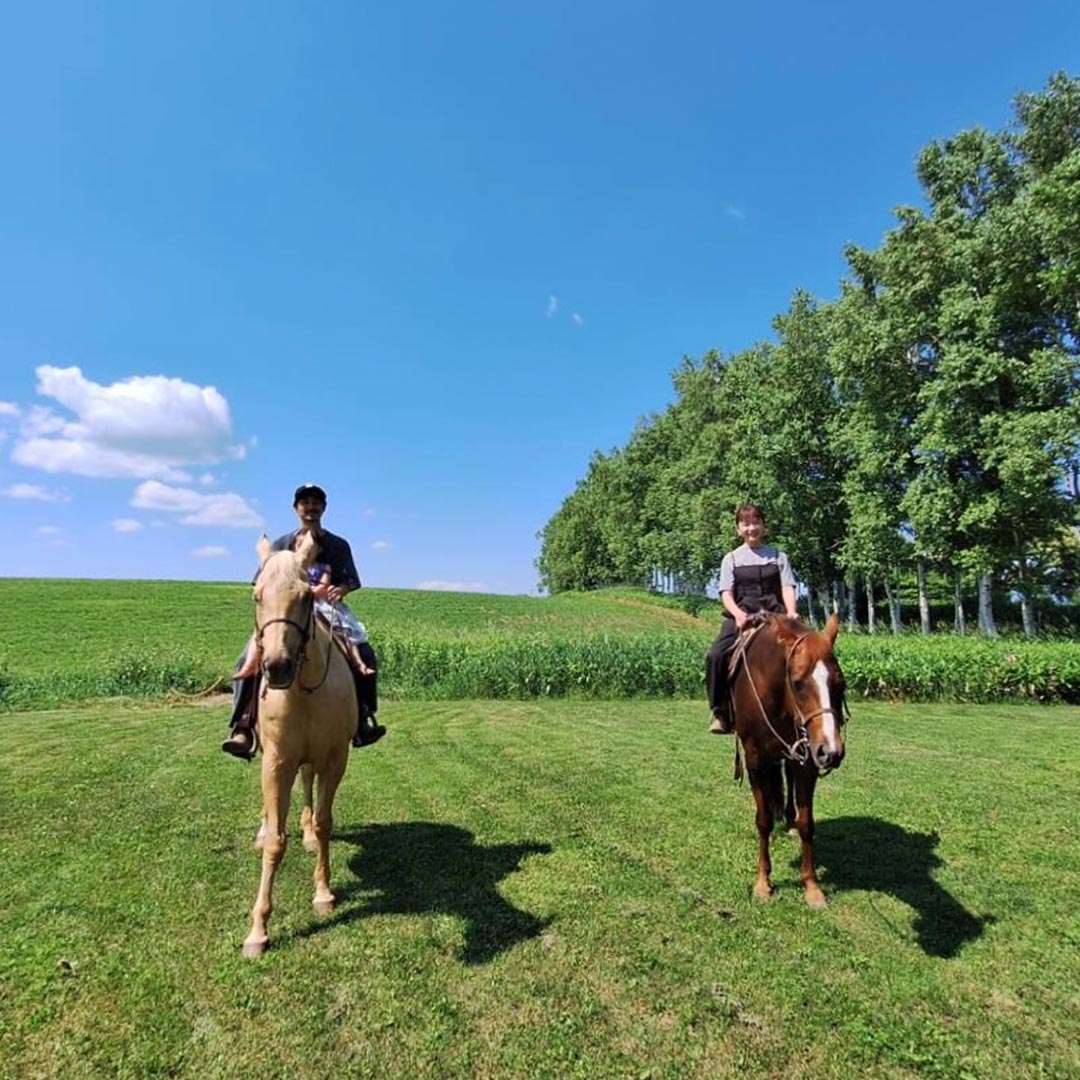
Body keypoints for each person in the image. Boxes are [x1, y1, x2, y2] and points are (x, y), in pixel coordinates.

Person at [222, 483, 385, 759]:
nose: (311, 507)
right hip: (285, 612)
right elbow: (262, 581)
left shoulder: (337, 545)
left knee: (366, 654)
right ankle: (243, 726)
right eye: (305, 502)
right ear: (296, 508)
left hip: (327, 608)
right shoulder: (281, 544)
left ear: (323, 508)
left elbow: (350, 579)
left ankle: (362, 720)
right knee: (243, 661)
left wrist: (341, 589)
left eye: (316, 502)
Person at [705, 504, 799, 734]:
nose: (751, 528)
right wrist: (737, 614)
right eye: (745, 524)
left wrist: (792, 612)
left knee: (814, 651)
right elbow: (725, 593)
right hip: (743, 615)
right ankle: (721, 712)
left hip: (776, 615)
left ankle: (822, 707)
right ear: (738, 529)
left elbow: (787, 587)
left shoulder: (779, 557)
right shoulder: (731, 559)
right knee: (715, 656)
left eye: (756, 522)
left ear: (763, 526)